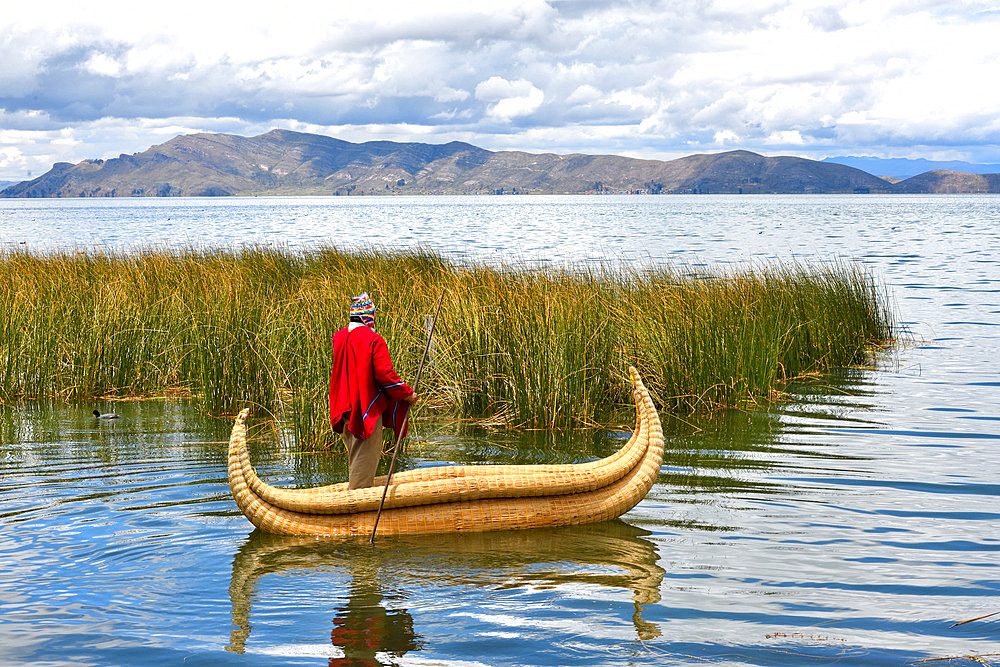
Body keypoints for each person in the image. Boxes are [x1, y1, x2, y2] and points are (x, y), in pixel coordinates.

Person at [329, 292, 417, 489]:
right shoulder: (373, 339)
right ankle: (357, 507)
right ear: (368, 316)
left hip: (343, 407)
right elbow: (385, 375)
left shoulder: (339, 337)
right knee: (365, 460)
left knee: (355, 455)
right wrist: (407, 394)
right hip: (364, 408)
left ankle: (354, 498)